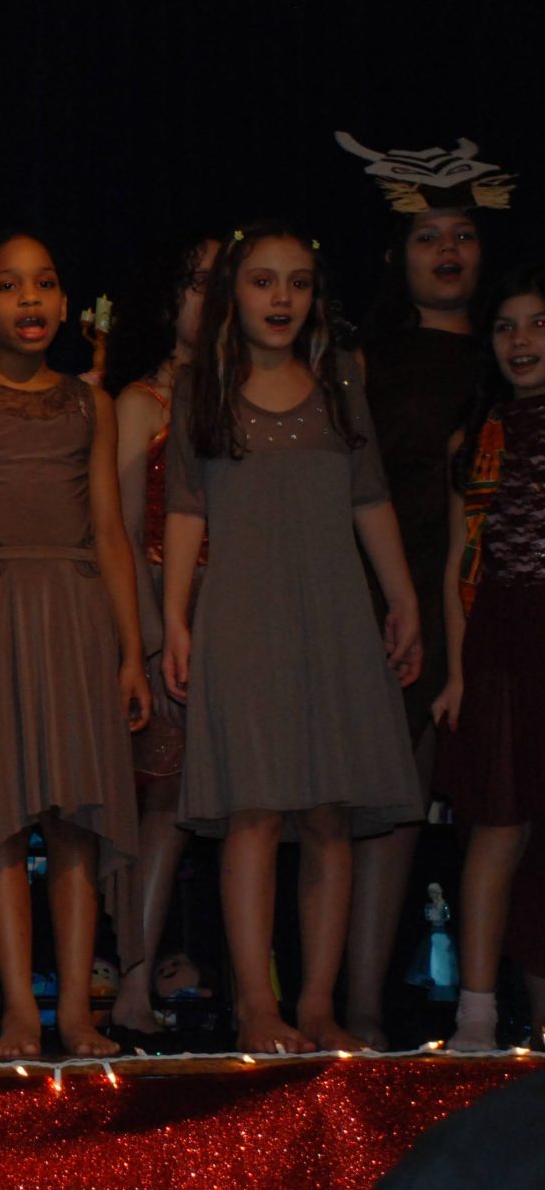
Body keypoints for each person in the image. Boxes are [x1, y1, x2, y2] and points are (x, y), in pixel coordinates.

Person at [163, 222, 424, 1054]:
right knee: (253, 810)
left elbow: (368, 494)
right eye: (263, 280)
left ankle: (315, 1003)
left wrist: (403, 597)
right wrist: (175, 618)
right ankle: (255, 1003)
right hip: (243, 616)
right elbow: (186, 508)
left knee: (327, 813)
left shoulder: (341, 377)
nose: (282, 297)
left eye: (299, 282)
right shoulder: (201, 386)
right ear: (233, 293)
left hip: (333, 613)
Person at [0, 230, 147, 1059]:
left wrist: (131, 651)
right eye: (10, 286)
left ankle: (78, 1012)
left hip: (76, 612)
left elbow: (111, 533)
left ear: (64, 302)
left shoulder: (92, 405)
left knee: (78, 817)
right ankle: (19, 1010)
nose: (30, 300)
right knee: (0, 820)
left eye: (44, 283)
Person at [340, 135, 510, 1047]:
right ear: (397, 255)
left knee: (503, 809)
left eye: (464, 235)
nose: (448, 250)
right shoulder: (368, 361)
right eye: (427, 236)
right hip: (391, 602)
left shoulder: (513, 349)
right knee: (390, 811)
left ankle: (500, 1004)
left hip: (499, 601)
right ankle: (363, 1008)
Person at [104, 232, 221, 1037]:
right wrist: (143, 639)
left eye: (222, 283)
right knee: (165, 804)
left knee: (257, 809)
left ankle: (252, 988)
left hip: (241, 618)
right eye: (195, 282)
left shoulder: (253, 395)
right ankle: (134, 981)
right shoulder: (141, 402)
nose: (209, 299)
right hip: (161, 615)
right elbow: (115, 530)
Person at [430, 263, 545, 1051]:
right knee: (498, 824)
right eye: (505, 326)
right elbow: (456, 564)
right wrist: (458, 673)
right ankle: (474, 1015)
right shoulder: (475, 440)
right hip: (501, 636)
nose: (521, 339)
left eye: (537, 323)